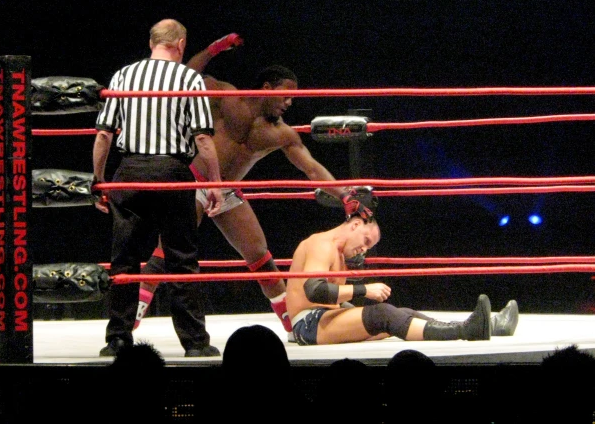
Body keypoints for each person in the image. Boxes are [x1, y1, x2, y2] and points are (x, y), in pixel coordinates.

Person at [136, 34, 364, 335]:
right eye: (284, 94)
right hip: (196, 180)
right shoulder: (229, 98)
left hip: (228, 190)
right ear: (266, 88)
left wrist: (347, 194)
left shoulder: (281, 133)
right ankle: (132, 317)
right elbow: (187, 79)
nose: (289, 102)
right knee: (167, 251)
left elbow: (312, 168)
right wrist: (213, 49)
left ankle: (291, 322)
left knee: (261, 256)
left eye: (292, 97)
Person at [93, 18, 224, 358]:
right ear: (180, 44)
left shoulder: (123, 75)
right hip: (171, 171)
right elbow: (203, 138)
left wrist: (99, 179)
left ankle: (118, 338)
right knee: (182, 257)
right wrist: (215, 183)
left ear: (152, 43)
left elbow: (105, 133)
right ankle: (194, 343)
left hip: (130, 171)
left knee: (124, 259)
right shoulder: (189, 77)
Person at [285, 191, 520, 345]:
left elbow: (329, 298)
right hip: (307, 325)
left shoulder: (340, 254)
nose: (364, 251)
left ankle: (489, 325)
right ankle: (468, 332)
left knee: (403, 314)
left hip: (324, 318)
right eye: (365, 242)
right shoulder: (321, 243)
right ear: (356, 225)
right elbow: (314, 290)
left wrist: (353, 301)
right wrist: (363, 291)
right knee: (383, 313)